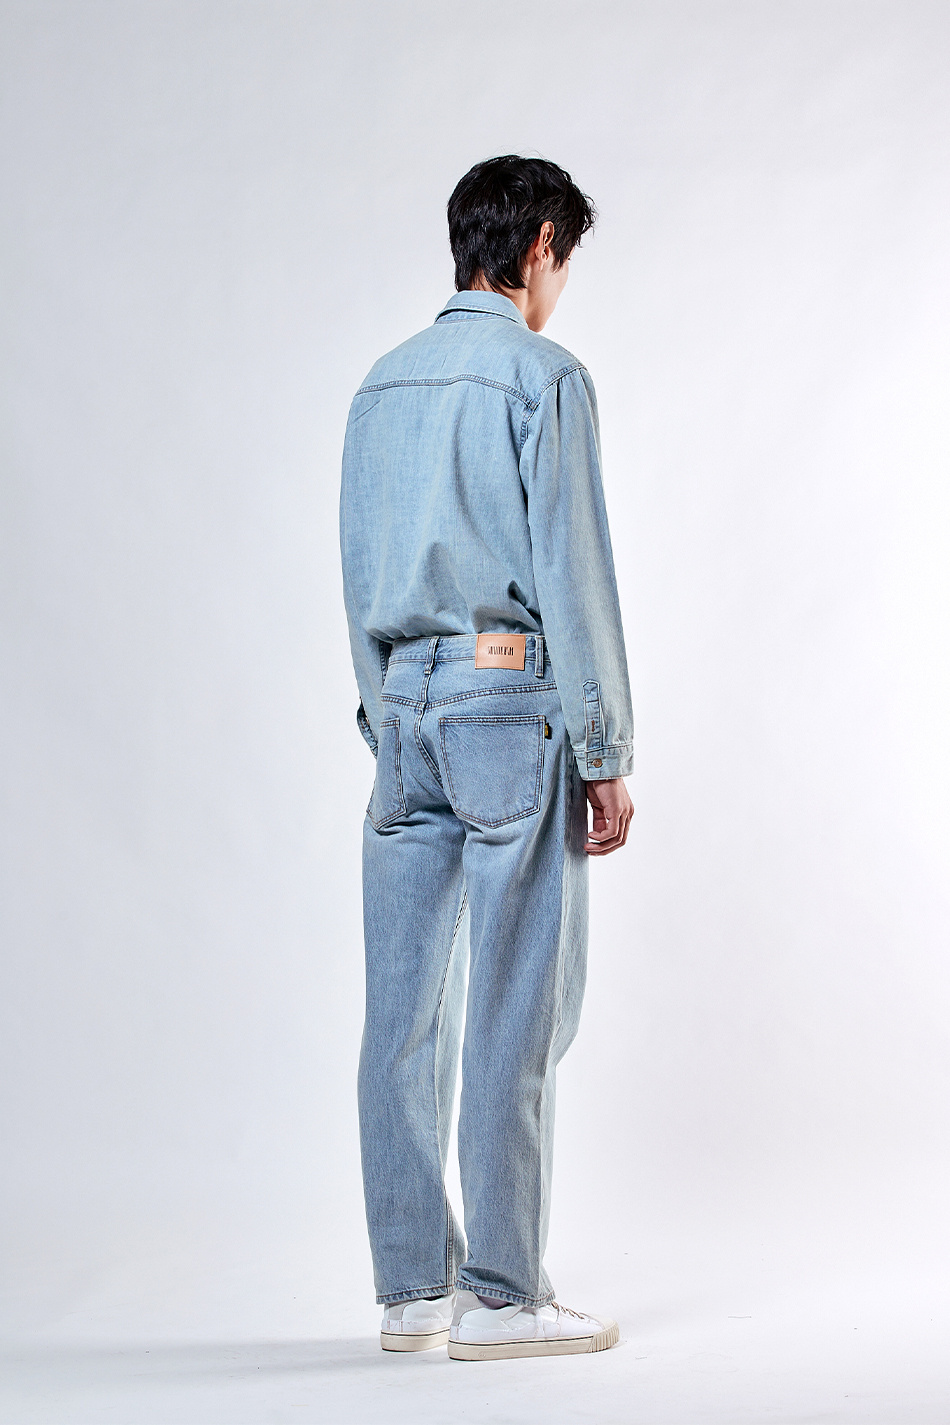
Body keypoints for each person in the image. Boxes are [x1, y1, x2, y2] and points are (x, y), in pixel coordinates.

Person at [339, 155, 634, 1361]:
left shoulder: (380, 383)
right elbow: (573, 569)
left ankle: (413, 1289)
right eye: (563, 261)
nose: (559, 287)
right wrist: (604, 747)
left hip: (402, 709)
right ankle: (504, 1298)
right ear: (538, 245)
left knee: (401, 1013)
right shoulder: (542, 377)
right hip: (508, 704)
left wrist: (384, 718)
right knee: (517, 1003)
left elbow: (359, 571)